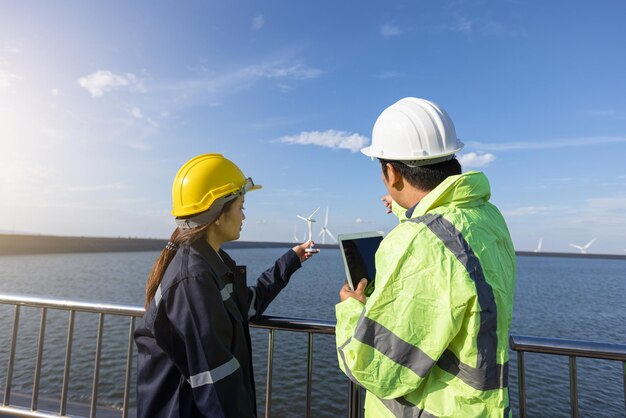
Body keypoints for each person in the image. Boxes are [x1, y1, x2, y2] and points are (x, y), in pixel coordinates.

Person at [335, 98, 516, 417]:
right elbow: (449, 245)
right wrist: (411, 212)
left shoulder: (421, 242)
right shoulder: (486, 217)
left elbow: (374, 368)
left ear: (392, 173)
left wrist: (351, 308)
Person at [134, 153, 316, 418]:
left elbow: (247, 305)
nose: (244, 215)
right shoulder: (194, 280)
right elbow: (215, 387)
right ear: (219, 213)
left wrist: (292, 259)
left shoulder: (209, 263)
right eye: (241, 205)